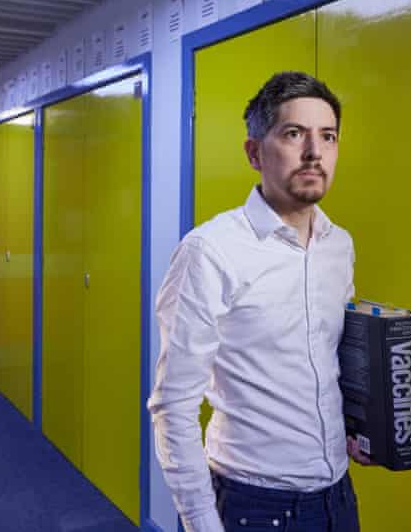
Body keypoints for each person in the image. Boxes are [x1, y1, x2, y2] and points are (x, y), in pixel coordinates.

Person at [147, 71, 373, 532]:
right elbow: (173, 405)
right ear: (254, 152)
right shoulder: (210, 251)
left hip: (337, 497)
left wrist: (352, 430)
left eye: (327, 136)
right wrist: (202, 524)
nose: (314, 152)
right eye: (294, 134)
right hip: (256, 506)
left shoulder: (338, 245)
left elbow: (326, 360)